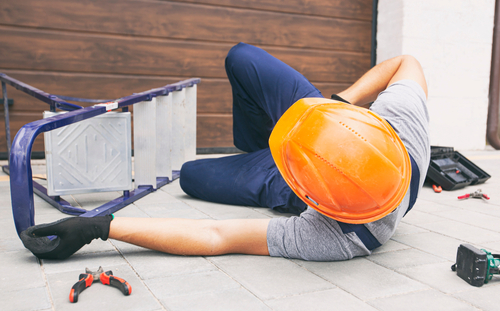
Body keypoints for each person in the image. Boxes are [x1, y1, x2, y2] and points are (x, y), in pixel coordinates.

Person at [20, 43, 430, 261]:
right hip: (320, 119)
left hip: (289, 172)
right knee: (242, 57)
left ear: (316, 204)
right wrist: (341, 103)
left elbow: (215, 235)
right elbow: (405, 61)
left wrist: (100, 226)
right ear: (374, 125)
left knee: (191, 174)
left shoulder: (338, 239)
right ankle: (276, 136)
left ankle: (269, 162)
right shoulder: (405, 125)